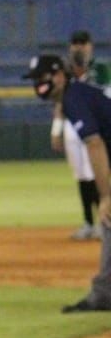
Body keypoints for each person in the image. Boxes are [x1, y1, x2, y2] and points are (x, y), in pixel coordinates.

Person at [24, 54, 111, 312]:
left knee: (108, 218)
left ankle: (104, 294)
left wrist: (106, 196)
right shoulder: (75, 95)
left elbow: (94, 144)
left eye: (43, 77)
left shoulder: (74, 98)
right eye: (36, 79)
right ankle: (104, 293)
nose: (39, 83)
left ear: (60, 75)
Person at [52, 32, 111, 240]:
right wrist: (56, 129)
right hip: (72, 126)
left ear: (91, 46)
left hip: (94, 127)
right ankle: (88, 222)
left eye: (82, 43)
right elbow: (59, 101)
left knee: (95, 172)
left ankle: (103, 222)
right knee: (81, 175)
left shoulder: (102, 68)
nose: (79, 47)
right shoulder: (65, 70)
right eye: (75, 43)